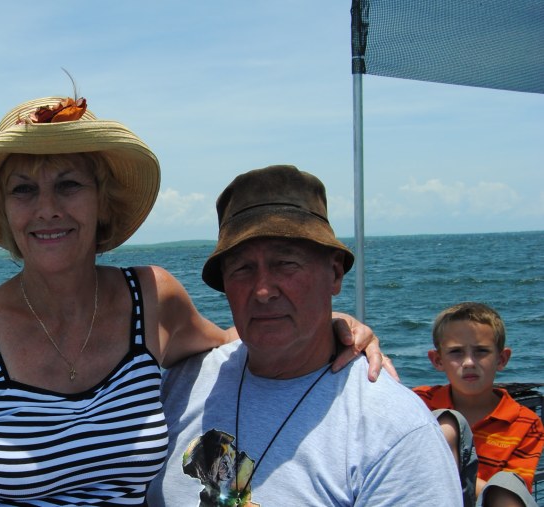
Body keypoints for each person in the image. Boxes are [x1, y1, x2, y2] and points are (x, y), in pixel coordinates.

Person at [0, 98, 388, 506]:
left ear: (101, 201)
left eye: (69, 184)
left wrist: (331, 322)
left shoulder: (150, 299)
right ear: (5, 211)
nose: (47, 208)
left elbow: (235, 339)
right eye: (24, 190)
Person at [147, 165, 462, 506]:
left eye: (287, 263)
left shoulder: (394, 430)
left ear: (335, 274)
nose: (263, 290)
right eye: (243, 268)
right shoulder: (183, 385)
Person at [413, 302, 544, 503]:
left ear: (502, 359)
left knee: (505, 482)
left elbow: (509, 496)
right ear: (437, 360)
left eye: (481, 351)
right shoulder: (418, 401)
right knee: (448, 422)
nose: (469, 362)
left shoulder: (526, 423)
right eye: (456, 352)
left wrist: (456, 473)